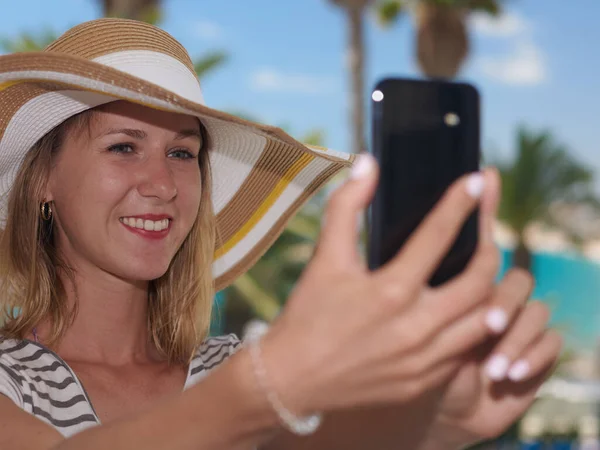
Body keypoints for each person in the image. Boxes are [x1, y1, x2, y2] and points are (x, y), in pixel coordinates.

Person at [0, 17, 561, 450]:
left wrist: (438, 420)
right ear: (42, 180)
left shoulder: (231, 367)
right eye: (123, 146)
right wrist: (266, 387)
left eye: (182, 153)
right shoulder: (12, 380)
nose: (163, 184)